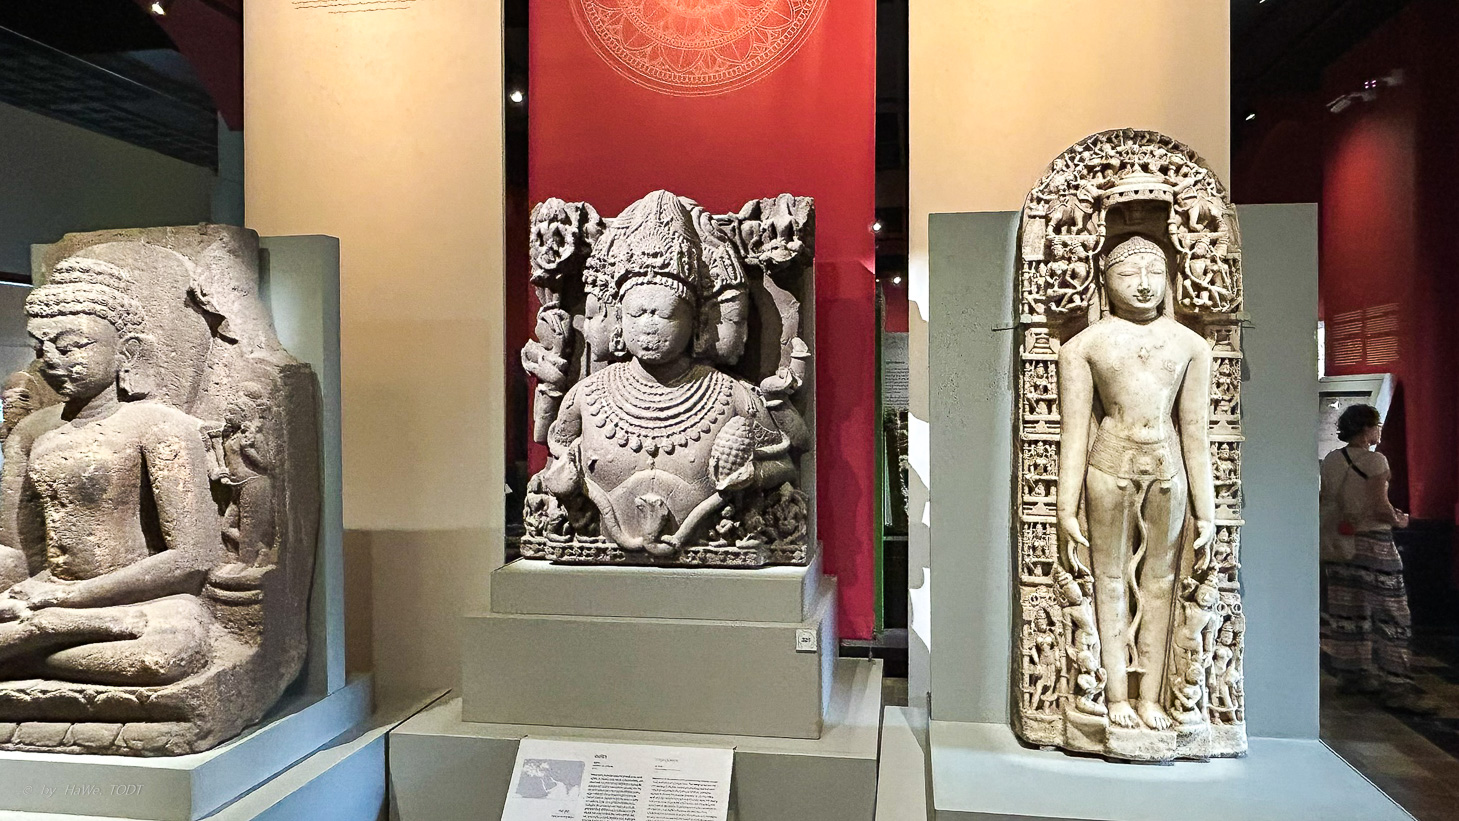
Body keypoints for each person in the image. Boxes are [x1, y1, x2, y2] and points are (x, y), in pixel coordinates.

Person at [1057, 234, 1215, 732]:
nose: (1143, 284)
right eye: (1128, 274)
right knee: (1107, 579)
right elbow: (1074, 433)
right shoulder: (1084, 346)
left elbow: (1196, 434)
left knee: (1162, 581)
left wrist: (1207, 513)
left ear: (1170, 279)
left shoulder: (1190, 345)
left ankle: (1152, 697)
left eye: (1154, 273)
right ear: (1105, 281)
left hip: (1169, 467)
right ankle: (1115, 696)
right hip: (1110, 463)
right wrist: (1065, 507)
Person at [1319, 403, 1436, 714]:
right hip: (1373, 542)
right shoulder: (1375, 460)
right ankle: (1397, 684)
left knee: (1348, 610)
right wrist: (1400, 520)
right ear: (1366, 429)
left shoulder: (1332, 460)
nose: (1379, 430)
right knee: (1392, 612)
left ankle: (1353, 674)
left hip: (1340, 543)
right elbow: (1379, 505)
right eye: (1376, 425)